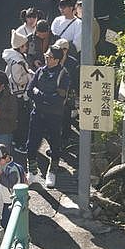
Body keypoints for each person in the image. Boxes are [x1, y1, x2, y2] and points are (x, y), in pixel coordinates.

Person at [26, 46, 71, 189]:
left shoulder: (63, 74)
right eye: (46, 55)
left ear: (57, 60)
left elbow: (58, 98)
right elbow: (29, 90)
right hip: (38, 113)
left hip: (54, 115)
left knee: (55, 144)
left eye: (50, 57)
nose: (47, 58)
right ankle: (32, 171)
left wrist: (40, 95)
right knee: (31, 143)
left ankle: (52, 172)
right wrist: (45, 96)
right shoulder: (40, 71)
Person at [2, 29, 33, 150]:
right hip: (20, 95)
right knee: (22, 121)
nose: (26, 47)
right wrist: (29, 76)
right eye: (25, 45)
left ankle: (17, 141)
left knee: (19, 119)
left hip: (15, 93)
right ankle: (20, 143)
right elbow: (18, 79)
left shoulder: (12, 58)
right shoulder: (17, 62)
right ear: (20, 46)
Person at [0, 144, 26, 228]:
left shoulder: (13, 168)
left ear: (6, 157)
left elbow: (11, 184)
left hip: (11, 201)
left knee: (7, 224)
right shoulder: (1, 165)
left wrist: (1, 175)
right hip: (4, 200)